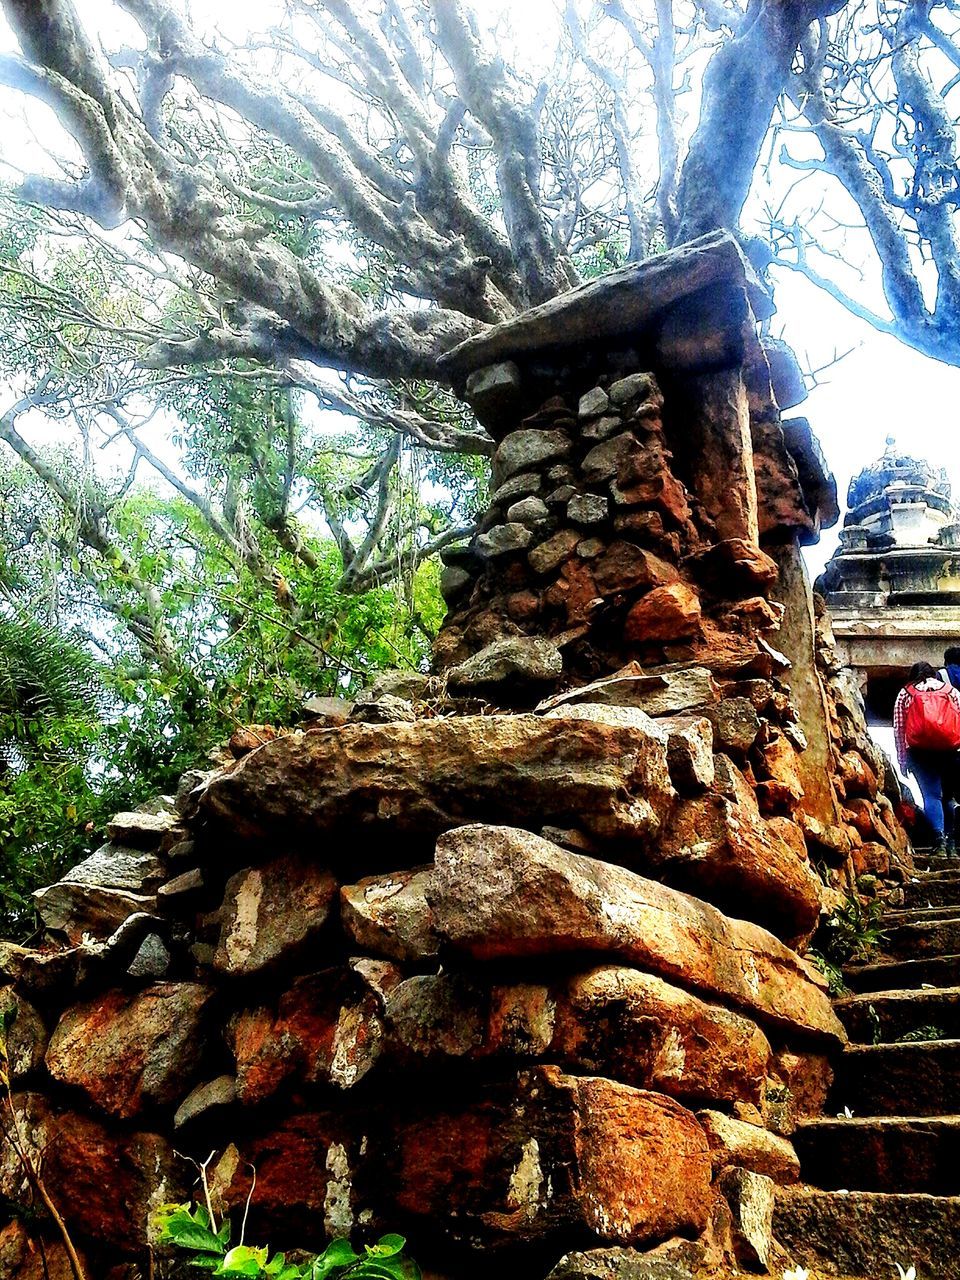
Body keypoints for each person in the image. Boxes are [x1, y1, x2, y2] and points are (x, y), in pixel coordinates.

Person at [894, 661, 960, 854]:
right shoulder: (951, 692)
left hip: (920, 753)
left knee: (931, 795)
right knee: (948, 797)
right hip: (950, 751)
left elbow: (899, 729)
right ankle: (952, 844)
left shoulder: (906, 693)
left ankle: (938, 840)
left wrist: (902, 759)